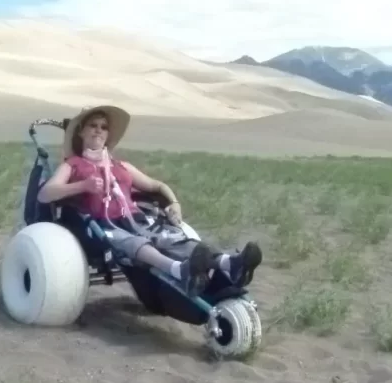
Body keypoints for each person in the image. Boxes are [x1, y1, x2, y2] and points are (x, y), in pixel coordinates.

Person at [38, 104, 262, 295]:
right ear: (81, 132)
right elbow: (45, 194)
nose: (98, 131)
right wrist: (82, 185)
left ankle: (229, 263)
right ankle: (178, 270)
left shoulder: (122, 166)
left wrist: (174, 203)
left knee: (172, 238)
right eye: (92, 126)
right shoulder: (72, 165)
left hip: (137, 218)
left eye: (103, 127)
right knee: (136, 243)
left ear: (108, 135)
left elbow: (157, 186)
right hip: (103, 226)